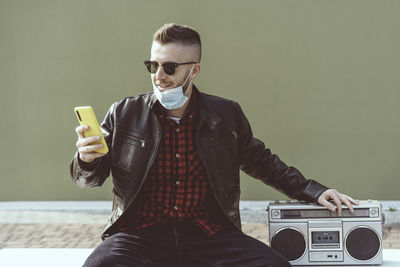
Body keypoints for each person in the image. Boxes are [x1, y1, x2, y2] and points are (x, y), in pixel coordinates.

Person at [70, 23, 358, 267]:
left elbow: (262, 162)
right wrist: (86, 159)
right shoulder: (124, 113)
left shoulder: (225, 115)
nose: (159, 75)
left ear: (194, 71)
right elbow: (90, 178)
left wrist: (313, 191)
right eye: (153, 65)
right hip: (139, 233)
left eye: (169, 67)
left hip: (209, 234)